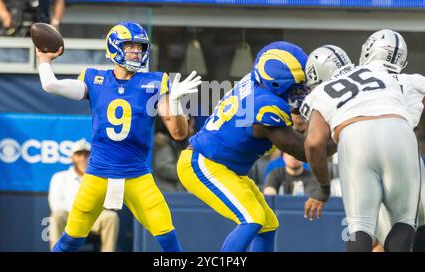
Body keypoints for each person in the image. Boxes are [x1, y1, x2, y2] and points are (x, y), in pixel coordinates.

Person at [37, 21, 201, 252]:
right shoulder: (94, 79)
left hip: (136, 176)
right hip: (97, 175)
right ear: (115, 48)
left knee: (168, 237)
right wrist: (44, 60)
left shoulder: (154, 82)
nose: (136, 51)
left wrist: (175, 103)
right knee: (70, 240)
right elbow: (50, 84)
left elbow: (179, 133)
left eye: (139, 47)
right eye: (130, 46)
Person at [177, 41, 335, 252]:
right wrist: (343, 133)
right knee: (252, 218)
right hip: (203, 163)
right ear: (278, 85)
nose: (303, 91)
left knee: (268, 225)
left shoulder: (256, 82)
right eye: (298, 87)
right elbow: (306, 151)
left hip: (223, 166)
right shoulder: (266, 108)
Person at [301, 44, 420, 252]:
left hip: (354, 136)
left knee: (360, 227)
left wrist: (323, 187)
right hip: (400, 130)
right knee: (404, 219)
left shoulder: (320, 91)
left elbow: (313, 142)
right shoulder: (380, 71)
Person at [358, 29, 425, 252]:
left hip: (374, 161)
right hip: (412, 162)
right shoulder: (413, 81)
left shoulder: (356, 81)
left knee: (379, 242)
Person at [48, 139, 119, 252]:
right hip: (69, 219)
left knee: (111, 217)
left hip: (92, 218)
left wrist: (89, 213)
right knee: (57, 216)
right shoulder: (59, 177)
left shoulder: (100, 178)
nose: (83, 159)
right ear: (72, 157)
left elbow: (107, 203)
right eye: (79, 154)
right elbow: (56, 205)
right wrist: (79, 213)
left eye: (86, 154)